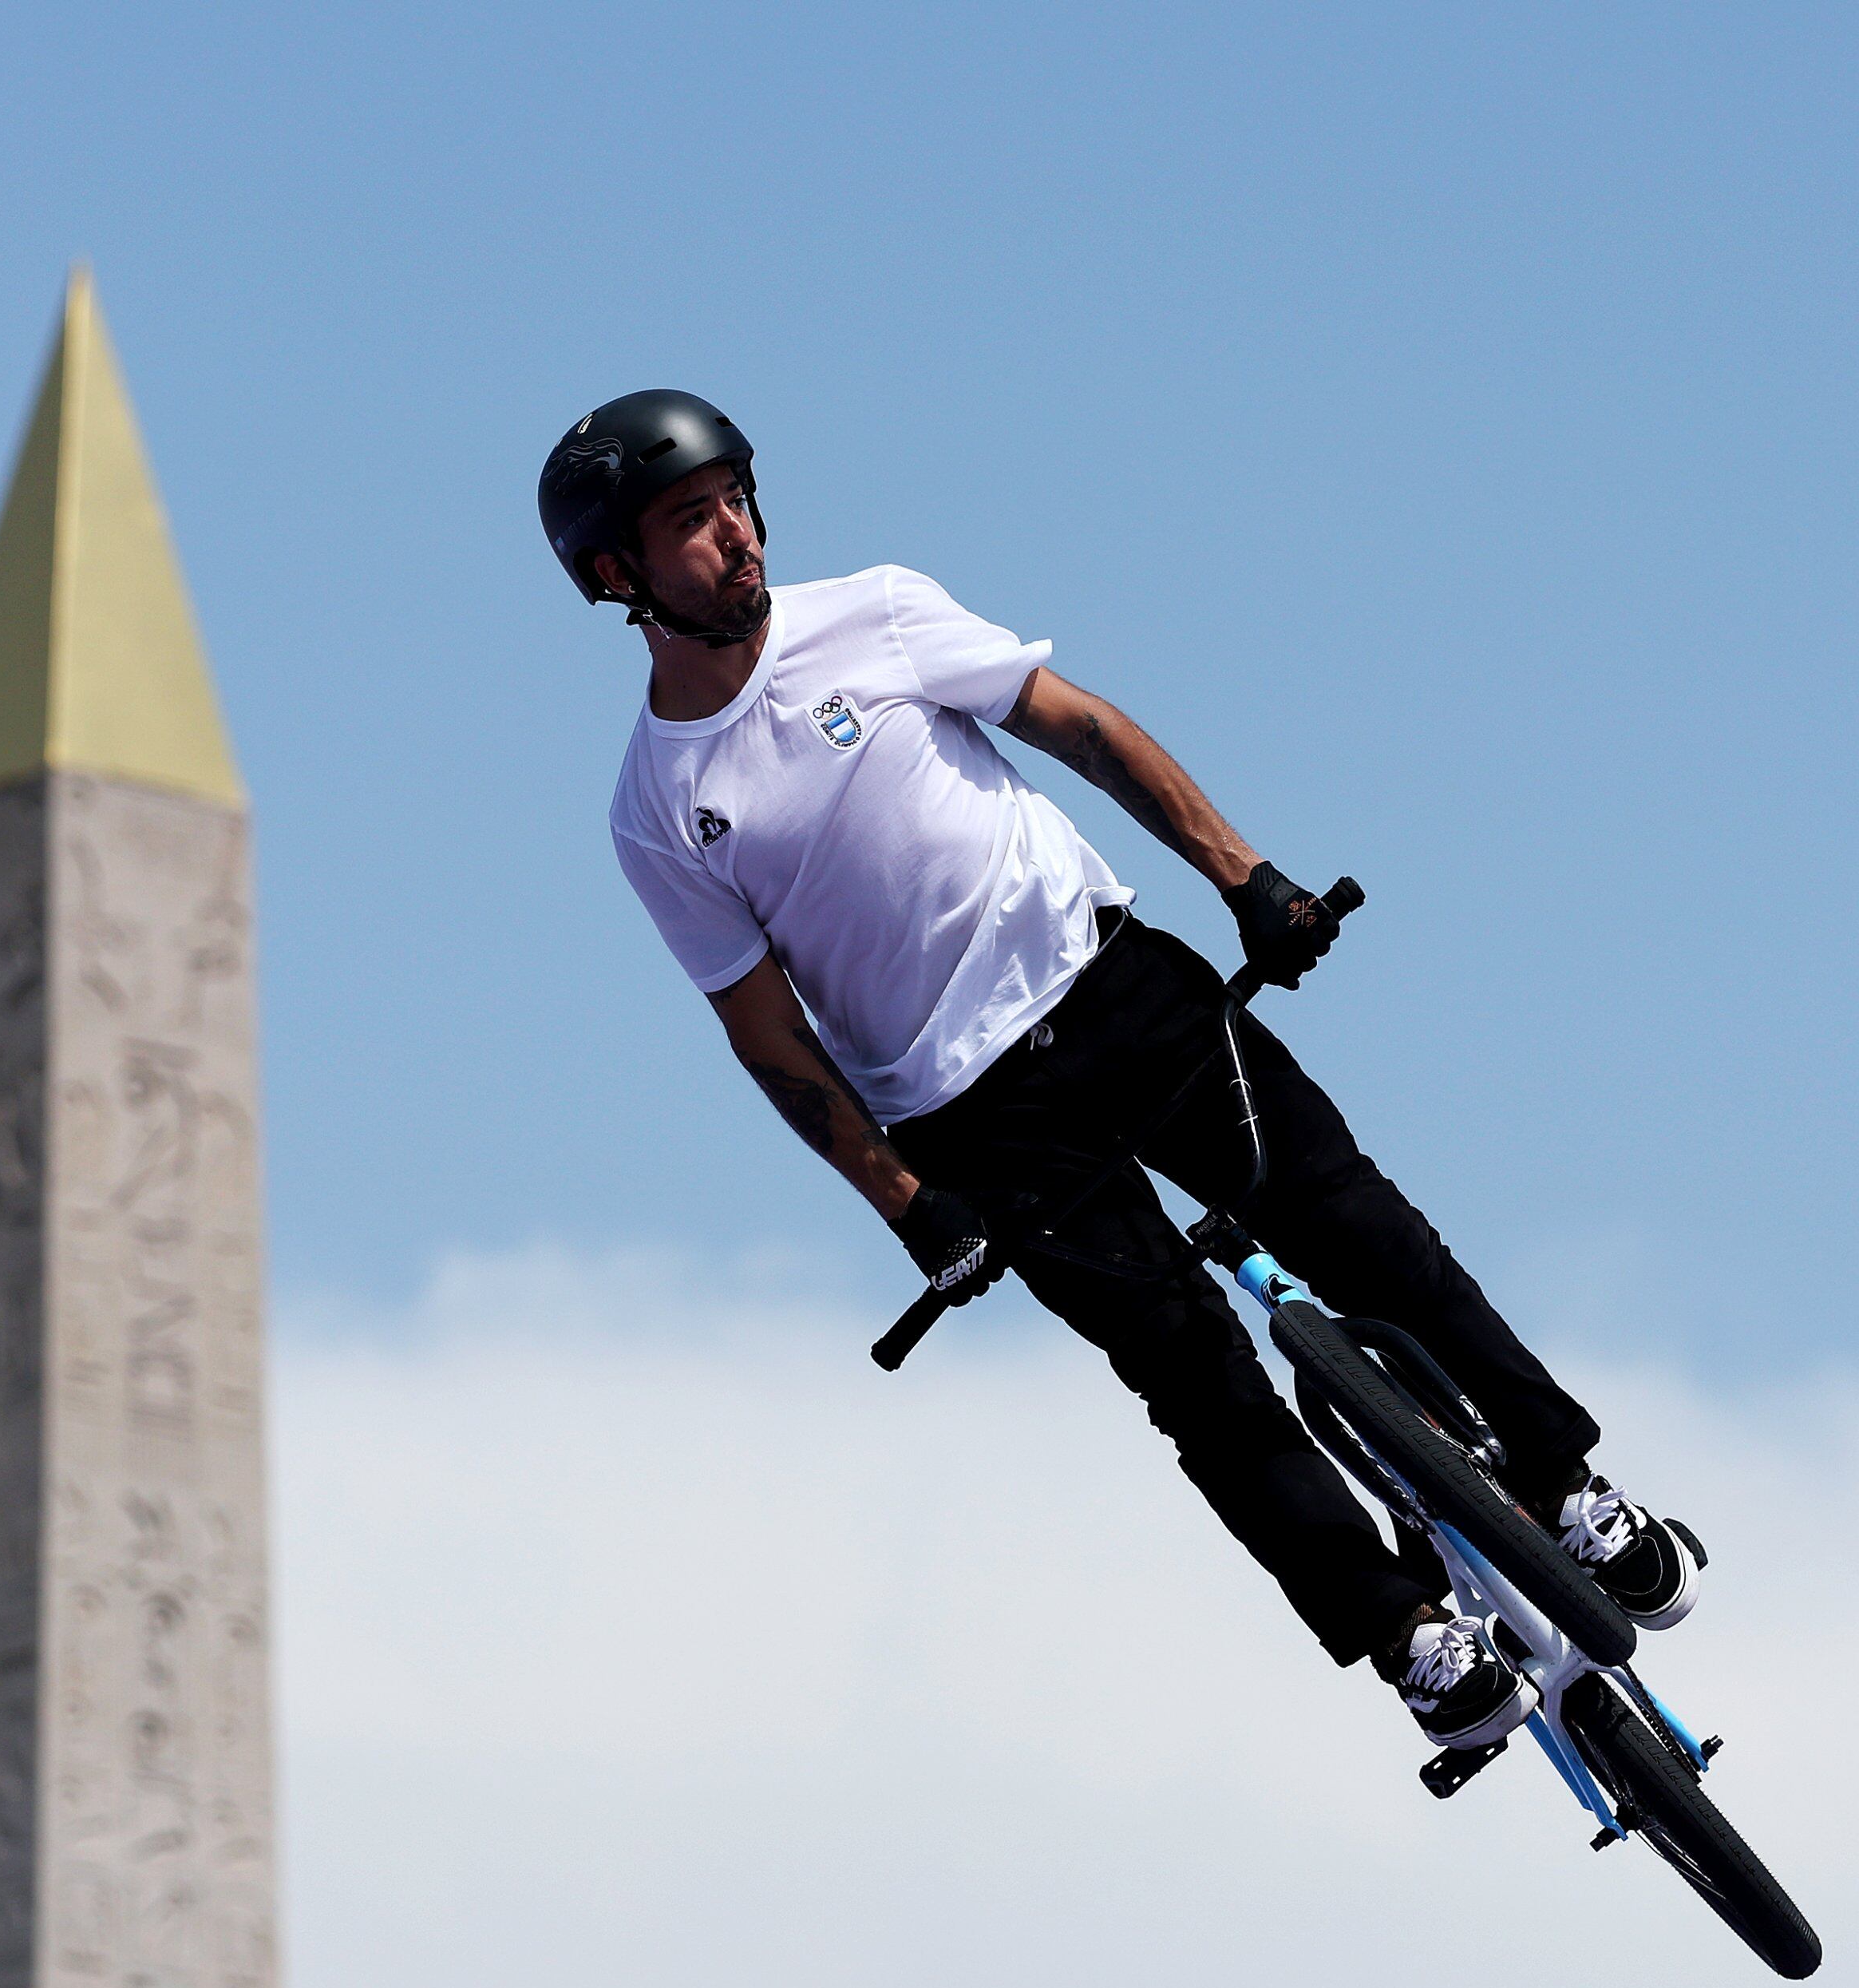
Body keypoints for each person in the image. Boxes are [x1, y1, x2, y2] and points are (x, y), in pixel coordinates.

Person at [543, 390, 1705, 1748]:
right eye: (692, 521)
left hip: (1118, 985)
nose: (734, 535)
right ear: (619, 575)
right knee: (1196, 1378)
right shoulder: (656, 808)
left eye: (736, 498)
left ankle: (1568, 1484)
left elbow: (1076, 726)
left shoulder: (876, 610)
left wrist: (1245, 876)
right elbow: (765, 1032)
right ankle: (1410, 1641)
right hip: (980, 1121)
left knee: (1358, 1220)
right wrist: (909, 1203)